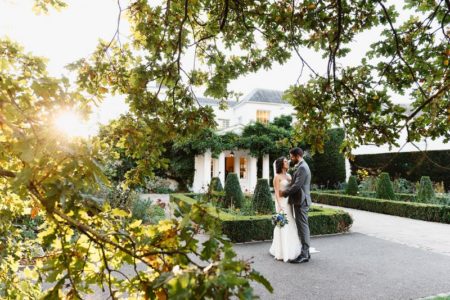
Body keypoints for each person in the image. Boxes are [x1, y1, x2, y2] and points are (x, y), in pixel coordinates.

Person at [281, 147, 312, 263]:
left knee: (303, 227)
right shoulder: (301, 166)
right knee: (302, 226)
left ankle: (304, 254)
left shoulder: (303, 167)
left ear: (296, 156)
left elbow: (297, 186)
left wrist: (284, 192)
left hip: (301, 201)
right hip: (300, 200)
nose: (290, 159)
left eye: (291, 156)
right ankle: (306, 253)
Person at [269, 156, 302, 262]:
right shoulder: (277, 177)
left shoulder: (288, 175)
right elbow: (277, 193)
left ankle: (292, 248)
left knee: (291, 223)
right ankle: (282, 251)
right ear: (281, 164)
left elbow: (292, 188)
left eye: (287, 161)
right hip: (282, 203)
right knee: (282, 225)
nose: (287, 162)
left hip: (289, 203)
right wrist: (279, 206)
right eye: (285, 161)